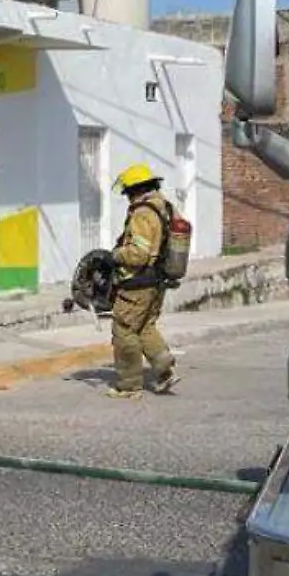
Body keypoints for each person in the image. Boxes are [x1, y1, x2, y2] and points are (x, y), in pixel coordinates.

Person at [105, 162, 179, 399]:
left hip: (137, 282)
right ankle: (164, 368)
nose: (127, 198)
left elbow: (138, 254)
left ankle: (128, 386)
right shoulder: (165, 207)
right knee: (145, 326)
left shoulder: (142, 213)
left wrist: (115, 255)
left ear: (135, 190)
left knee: (124, 330)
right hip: (157, 280)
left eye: (127, 192)